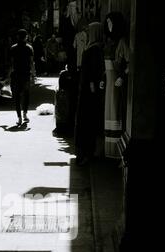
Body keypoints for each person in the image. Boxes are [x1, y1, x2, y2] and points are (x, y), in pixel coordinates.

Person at [74, 22, 105, 166]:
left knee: (85, 123)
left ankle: (84, 154)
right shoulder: (97, 49)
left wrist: (92, 90)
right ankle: (87, 153)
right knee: (90, 123)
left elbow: (91, 75)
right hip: (91, 93)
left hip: (88, 94)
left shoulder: (92, 50)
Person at [104, 12, 129, 158]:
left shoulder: (122, 42)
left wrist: (122, 77)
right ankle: (109, 149)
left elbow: (129, 63)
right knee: (108, 113)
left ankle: (115, 151)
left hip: (115, 84)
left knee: (115, 112)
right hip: (108, 83)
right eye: (107, 23)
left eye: (111, 23)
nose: (109, 26)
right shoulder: (110, 42)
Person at [9, 29, 34, 126]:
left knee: (17, 97)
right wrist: (33, 75)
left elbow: (11, 64)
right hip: (26, 75)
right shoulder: (29, 48)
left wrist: (7, 77)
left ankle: (19, 117)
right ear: (26, 37)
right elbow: (32, 63)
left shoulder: (13, 48)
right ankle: (25, 114)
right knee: (26, 95)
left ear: (18, 37)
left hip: (15, 75)